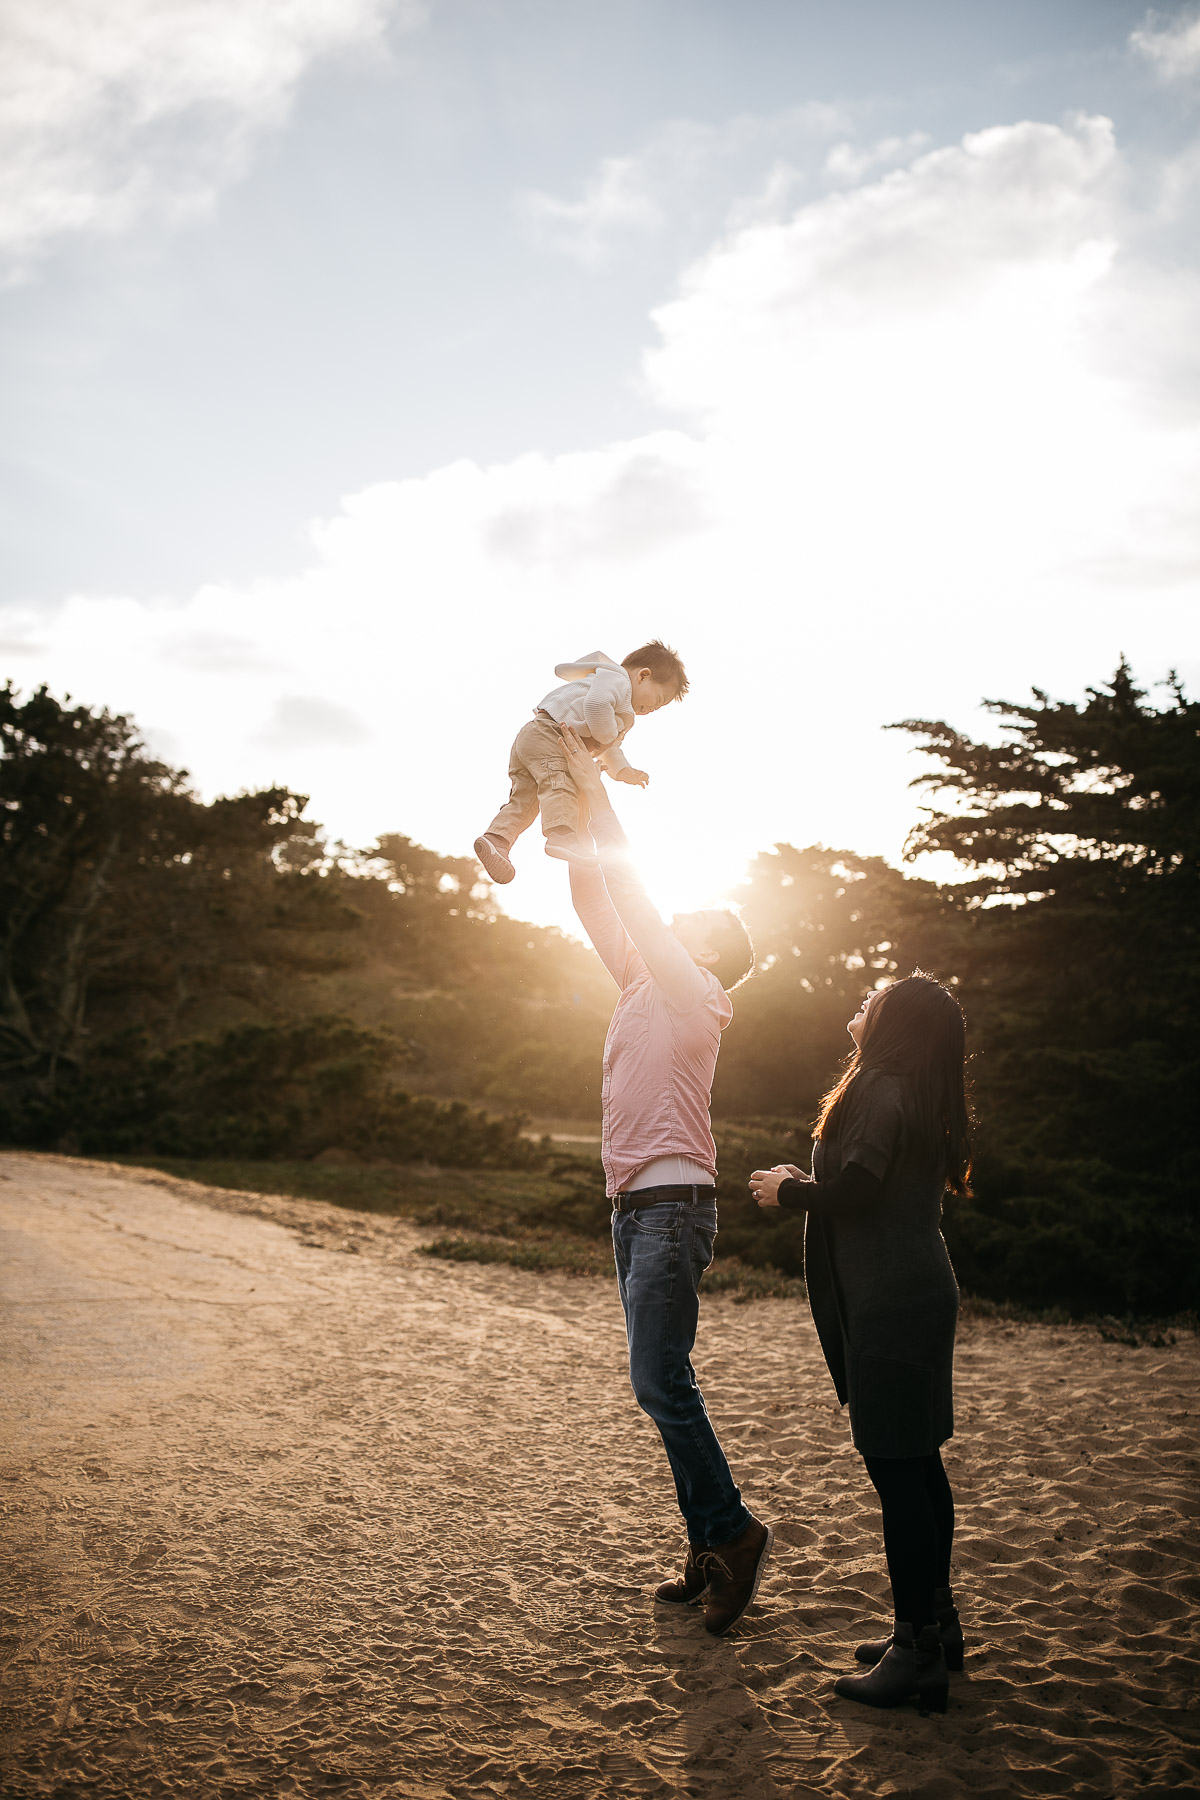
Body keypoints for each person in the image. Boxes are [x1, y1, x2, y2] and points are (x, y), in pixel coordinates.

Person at [556, 722, 772, 1636]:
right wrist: (563, 803)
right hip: (635, 1206)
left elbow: (637, 902)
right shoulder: (643, 982)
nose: (685, 918)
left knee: (657, 1379)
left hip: (674, 1206)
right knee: (663, 1378)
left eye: (704, 923)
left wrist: (600, 793)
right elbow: (594, 900)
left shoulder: (698, 992)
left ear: (715, 955)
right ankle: (704, 1543)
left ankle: (733, 1533)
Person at [750, 973, 971, 1714]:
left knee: (899, 1477)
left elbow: (858, 1187)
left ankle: (916, 1655)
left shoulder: (879, 1084)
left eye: (876, 995)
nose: (862, 999)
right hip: (915, 1291)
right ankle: (936, 1628)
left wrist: (789, 1190)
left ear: (894, 1022)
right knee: (918, 1466)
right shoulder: (913, 1085)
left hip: (891, 1300)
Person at [474, 643, 687, 884]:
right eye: (657, 699)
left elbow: (610, 748)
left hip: (534, 738)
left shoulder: (619, 709)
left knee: (526, 800)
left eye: (659, 708)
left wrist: (624, 771)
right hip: (550, 735)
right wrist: (607, 737)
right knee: (560, 783)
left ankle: (497, 840)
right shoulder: (616, 680)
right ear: (643, 675)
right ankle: (562, 835)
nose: (652, 709)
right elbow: (596, 706)